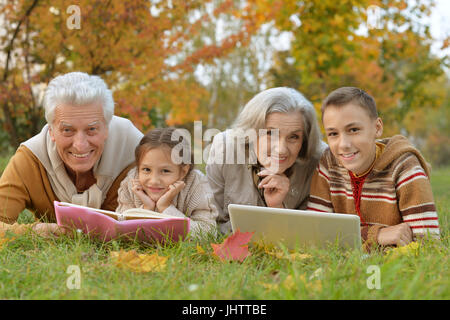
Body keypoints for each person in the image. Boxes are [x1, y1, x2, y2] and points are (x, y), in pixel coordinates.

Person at [0, 72, 143, 237]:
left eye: (92, 129)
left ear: (106, 128)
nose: (80, 145)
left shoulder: (137, 152)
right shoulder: (30, 159)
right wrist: (31, 232)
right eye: (67, 130)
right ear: (51, 131)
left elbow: (165, 221)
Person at [307, 87, 440, 249]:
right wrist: (376, 235)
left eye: (354, 130)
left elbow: (428, 243)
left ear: (377, 128)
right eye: (333, 134)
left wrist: (347, 239)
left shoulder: (404, 166)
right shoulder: (328, 163)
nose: (344, 145)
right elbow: (314, 233)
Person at [206, 87, 327, 234]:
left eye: (294, 137)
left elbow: (308, 234)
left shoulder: (319, 160)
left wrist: (277, 208)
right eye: (270, 133)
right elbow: (210, 219)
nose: (281, 149)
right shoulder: (225, 147)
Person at [117, 128, 218, 238]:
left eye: (165, 171)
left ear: (183, 171)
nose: (154, 181)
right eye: (146, 169)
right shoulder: (131, 183)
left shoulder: (197, 186)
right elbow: (120, 230)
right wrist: (147, 209)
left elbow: (207, 234)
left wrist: (166, 208)